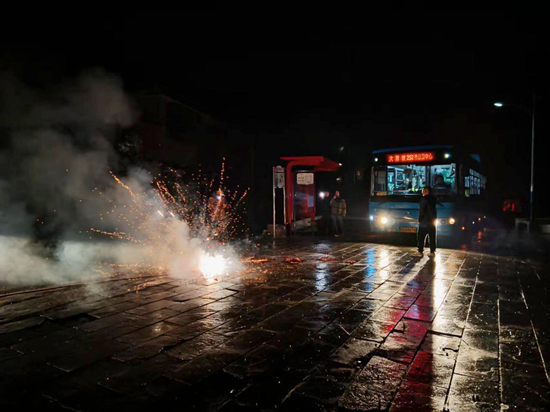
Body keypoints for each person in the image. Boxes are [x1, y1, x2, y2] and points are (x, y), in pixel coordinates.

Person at [416, 186, 437, 256]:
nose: (422, 192)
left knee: (421, 237)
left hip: (424, 221)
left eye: (423, 191)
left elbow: (422, 211)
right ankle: (432, 251)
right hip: (432, 221)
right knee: (432, 237)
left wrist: (420, 219)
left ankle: (420, 251)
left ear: (425, 191)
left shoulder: (424, 199)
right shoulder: (433, 199)